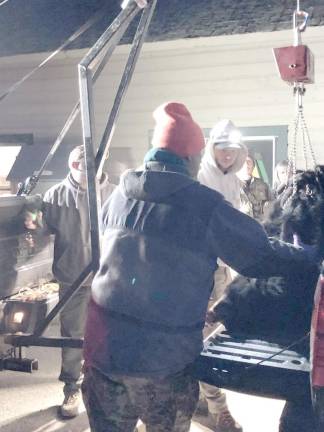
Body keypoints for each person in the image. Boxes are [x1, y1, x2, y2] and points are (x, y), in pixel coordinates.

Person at [81, 102, 317, 432]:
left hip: (101, 353)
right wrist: (311, 256)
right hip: (160, 361)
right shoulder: (200, 204)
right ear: (193, 158)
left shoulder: (119, 195)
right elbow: (261, 255)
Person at [26, 145, 115, 418]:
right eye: (78, 163)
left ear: (101, 164)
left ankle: (106, 389)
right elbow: (41, 233)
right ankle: (71, 388)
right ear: (71, 165)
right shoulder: (55, 196)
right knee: (73, 336)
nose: (83, 168)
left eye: (90, 163)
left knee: (110, 336)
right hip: (72, 280)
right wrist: (32, 218)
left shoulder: (115, 194)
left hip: (110, 279)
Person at [197, 120, 247, 431]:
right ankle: (218, 407)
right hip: (203, 268)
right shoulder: (201, 177)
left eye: (232, 149)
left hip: (224, 267)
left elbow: (238, 218)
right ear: (210, 148)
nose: (227, 154)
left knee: (218, 330)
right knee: (204, 333)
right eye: (222, 148)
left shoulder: (234, 180)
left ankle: (203, 396)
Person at [237, 155, 272, 220]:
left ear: (253, 166)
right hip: (239, 224)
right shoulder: (231, 185)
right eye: (243, 162)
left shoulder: (263, 185)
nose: (246, 164)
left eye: (249, 162)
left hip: (259, 225)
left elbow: (272, 204)